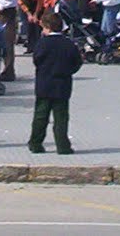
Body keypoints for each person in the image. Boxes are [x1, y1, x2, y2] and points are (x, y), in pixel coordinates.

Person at [28, 8, 82, 155]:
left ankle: (35, 143)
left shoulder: (42, 43)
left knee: (41, 115)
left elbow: (37, 59)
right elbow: (77, 62)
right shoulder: (69, 44)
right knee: (61, 117)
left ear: (47, 27)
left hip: (44, 84)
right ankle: (63, 145)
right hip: (62, 84)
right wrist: (67, 71)